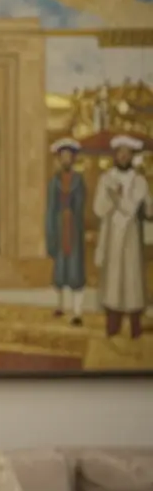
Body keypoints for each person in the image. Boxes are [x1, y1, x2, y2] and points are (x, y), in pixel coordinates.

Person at [93, 133, 148, 339]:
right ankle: (112, 329)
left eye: (127, 153)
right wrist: (110, 198)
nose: (123, 156)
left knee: (132, 282)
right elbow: (98, 209)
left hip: (131, 238)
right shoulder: (105, 178)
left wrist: (116, 197)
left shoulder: (139, 181)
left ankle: (135, 330)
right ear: (115, 155)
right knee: (113, 283)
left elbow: (131, 208)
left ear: (132, 156)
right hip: (112, 238)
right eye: (120, 153)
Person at [45, 137, 87, 326]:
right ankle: (60, 305)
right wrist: (51, 230)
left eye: (69, 156)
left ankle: (77, 311)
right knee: (60, 268)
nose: (66, 160)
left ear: (74, 159)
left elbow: (81, 204)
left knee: (75, 269)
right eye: (63, 156)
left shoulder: (79, 180)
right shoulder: (54, 182)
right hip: (59, 226)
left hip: (74, 228)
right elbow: (51, 208)